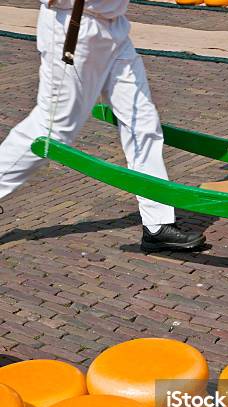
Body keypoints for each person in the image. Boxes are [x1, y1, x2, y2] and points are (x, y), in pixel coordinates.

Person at [0, 0, 206, 253]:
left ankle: (157, 224)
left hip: (114, 26)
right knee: (52, 130)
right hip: (74, 25)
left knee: (142, 122)